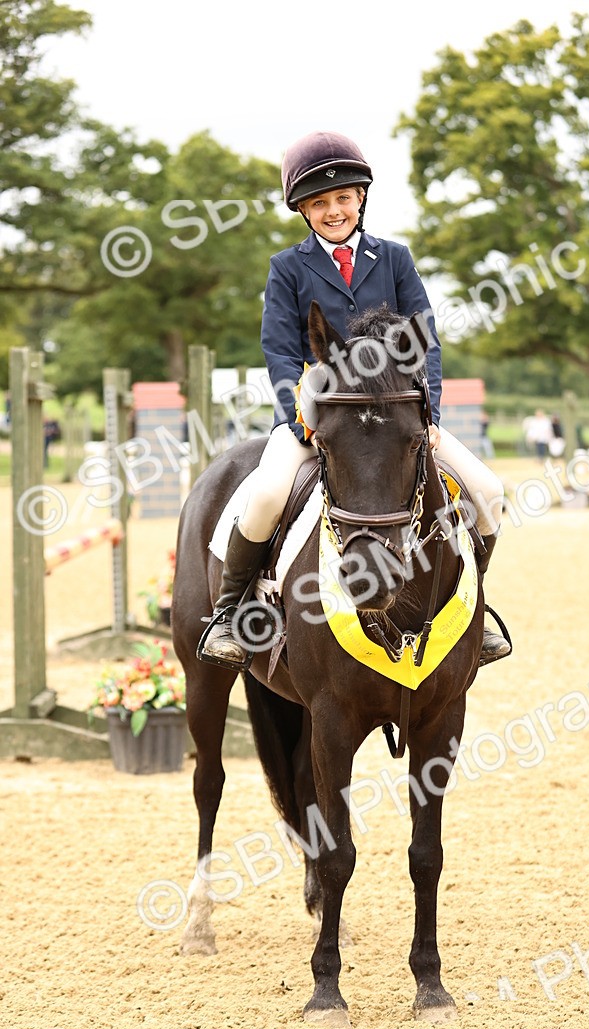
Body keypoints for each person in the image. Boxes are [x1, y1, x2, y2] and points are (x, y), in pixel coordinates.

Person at [200, 131, 511, 670]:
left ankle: (475, 606)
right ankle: (229, 611)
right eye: (319, 203)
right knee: (269, 492)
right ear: (303, 210)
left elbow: (424, 339)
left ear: (361, 198)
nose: (333, 210)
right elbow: (277, 351)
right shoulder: (288, 268)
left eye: (342, 198)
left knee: (488, 489)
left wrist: (428, 413)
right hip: (320, 411)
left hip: (396, 416)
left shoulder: (393, 258)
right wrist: (299, 418)